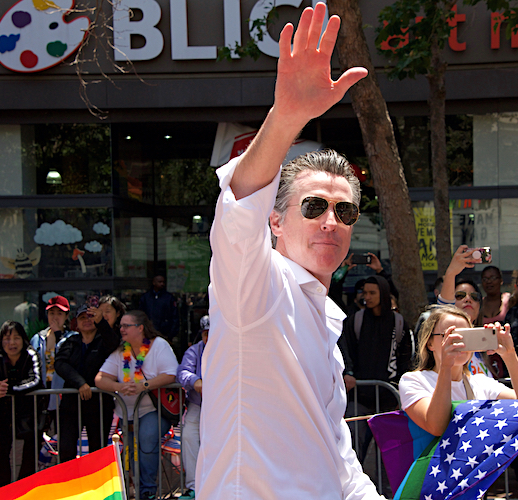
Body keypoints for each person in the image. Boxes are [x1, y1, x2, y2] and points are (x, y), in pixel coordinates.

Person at [196, 4, 380, 499]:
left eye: (344, 212)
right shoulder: (255, 289)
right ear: (275, 221)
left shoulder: (328, 319)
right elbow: (238, 210)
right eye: (315, 205)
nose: (330, 221)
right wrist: (287, 117)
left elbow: (337, 455)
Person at [399, 306, 518, 436]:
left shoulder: (480, 382)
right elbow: (437, 427)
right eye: (450, 335)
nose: (459, 342)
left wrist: (509, 355)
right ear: (430, 343)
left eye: (466, 335)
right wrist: (446, 367)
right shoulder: (413, 380)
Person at [95, 310, 179, 500]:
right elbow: (100, 378)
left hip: (154, 410)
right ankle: (136, 491)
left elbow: (171, 373)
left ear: (140, 328)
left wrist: (144, 386)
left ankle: (148, 491)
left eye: (126, 325)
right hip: (127, 413)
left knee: (146, 439)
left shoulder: (158, 346)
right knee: (132, 450)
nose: (121, 329)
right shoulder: (121, 351)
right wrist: (119, 386)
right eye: (121, 325)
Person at [339, 275, 412, 462]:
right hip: (360, 395)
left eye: (372, 293)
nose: (367, 297)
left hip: (389, 399)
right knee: (354, 442)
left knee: (391, 449)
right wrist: (349, 373)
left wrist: (401, 392)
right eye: (365, 293)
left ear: (384, 294)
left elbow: (405, 360)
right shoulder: (356, 320)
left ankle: (389, 489)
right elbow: (345, 349)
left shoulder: (399, 323)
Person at [54, 304, 120, 462]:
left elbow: (113, 344)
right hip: (71, 405)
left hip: (98, 405)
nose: (87, 321)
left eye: (90, 317)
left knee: (97, 450)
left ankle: (96, 486)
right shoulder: (71, 342)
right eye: (82, 318)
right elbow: (60, 364)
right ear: (76, 323)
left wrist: (102, 323)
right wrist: (80, 383)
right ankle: (70, 485)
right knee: (67, 448)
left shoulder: (104, 340)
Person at [437, 246, 494, 378]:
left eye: (474, 297)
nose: (468, 299)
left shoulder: (483, 349)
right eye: (460, 296)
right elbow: (443, 309)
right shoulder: (446, 340)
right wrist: (451, 273)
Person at [0, 320, 44, 486]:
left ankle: (24, 490)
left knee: (29, 455)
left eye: (16, 338)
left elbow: (36, 380)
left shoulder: (31, 354)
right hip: (3, 414)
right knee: (2, 454)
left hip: (29, 413)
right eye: (7, 338)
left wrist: (11, 389)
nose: (12, 343)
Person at [30, 295, 75, 423]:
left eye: (59, 313)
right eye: (51, 313)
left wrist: (58, 335)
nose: (55, 317)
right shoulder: (37, 339)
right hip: (41, 395)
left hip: (64, 397)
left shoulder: (73, 338)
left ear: (66, 316)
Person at [177, 322, 208, 500]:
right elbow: (182, 372)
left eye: (212, 332)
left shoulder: (230, 345)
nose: (208, 337)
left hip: (224, 405)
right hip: (198, 404)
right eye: (205, 333)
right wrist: (195, 380)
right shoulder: (195, 350)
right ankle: (194, 487)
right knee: (188, 435)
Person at [139, 275, 179, 340]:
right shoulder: (145, 297)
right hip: (149, 332)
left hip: (165, 333)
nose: (162, 284)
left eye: (163, 282)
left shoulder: (169, 298)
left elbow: (174, 316)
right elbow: (141, 314)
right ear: (154, 283)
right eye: (159, 282)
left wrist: (171, 334)